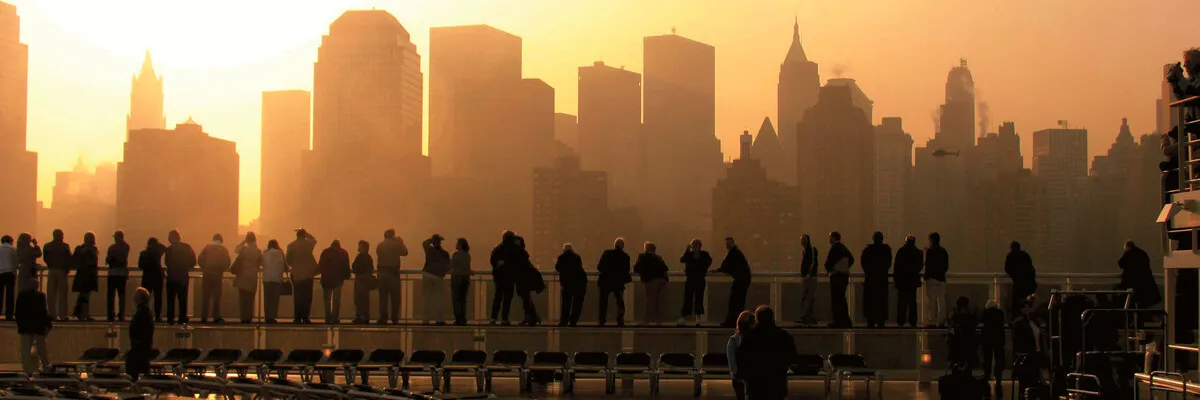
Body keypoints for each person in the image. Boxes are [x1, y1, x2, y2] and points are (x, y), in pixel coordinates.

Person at [738, 306, 798, 400]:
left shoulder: (749, 337)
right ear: (772, 317)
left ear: (756, 318)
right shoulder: (784, 336)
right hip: (777, 383)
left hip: (755, 385)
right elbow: (792, 357)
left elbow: (742, 359)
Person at [16, 278, 51, 375]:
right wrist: (48, 325)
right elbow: (43, 311)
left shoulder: (21, 296)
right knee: (42, 349)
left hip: (25, 327)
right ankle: (46, 367)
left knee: (26, 350)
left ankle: (28, 370)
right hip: (38, 327)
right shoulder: (40, 296)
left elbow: (18, 312)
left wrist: (20, 325)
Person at [716, 237, 752, 329]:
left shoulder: (734, 253)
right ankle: (737, 322)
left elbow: (724, 265)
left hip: (741, 281)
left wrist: (719, 270)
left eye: (729, 243)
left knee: (735, 302)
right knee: (738, 302)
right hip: (742, 280)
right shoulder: (736, 253)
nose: (727, 245)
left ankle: (733, 322)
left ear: (733, 243)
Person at [596, 238, 631, 327]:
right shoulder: (625, 256)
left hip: (605, 281)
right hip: (618, 283)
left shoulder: (607, 253)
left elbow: (600, 267)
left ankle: (602, 320)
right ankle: (620, 319)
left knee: (603, 302)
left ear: (614, 245)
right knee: (620, 302)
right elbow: (626, 270)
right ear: (622, 246)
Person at [163, 230, 196, 325]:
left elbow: (166, 262)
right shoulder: (187, 247)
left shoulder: (169, 249)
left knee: (170, 300)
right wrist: (186, 267)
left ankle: (170, 319)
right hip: (182, 277)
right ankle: (182, 318)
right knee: (183, 299)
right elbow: (193, 261)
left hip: (171, 277)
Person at [197, 234, 231, 324]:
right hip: (217, 276)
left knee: (205, 296)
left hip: (207, 275)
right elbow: (227, 262)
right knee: (216, 297)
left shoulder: (207, 248)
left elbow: (200, 259)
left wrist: (205, 267)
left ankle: (204, 317)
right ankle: (216, 317)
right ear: (221, 240)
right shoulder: (223, 249)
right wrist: (221, 268)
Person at [1118, 241, 1162, 309]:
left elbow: (1121, 263)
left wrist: (1125, 253)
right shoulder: (1142, 253)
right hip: (1145, 283)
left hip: (1133, 284)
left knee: (1130, 301)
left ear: (1127, 247)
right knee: (1143, 304)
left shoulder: (1129, 253)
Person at [861, 232, 892, 328]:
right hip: (882, 280)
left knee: (870, 301)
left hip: (870, 280)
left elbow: (864, 263)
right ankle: (881, 321)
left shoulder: (867, 250)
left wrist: (869, 272)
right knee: (882, 301)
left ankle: (871, 320)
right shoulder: (886, 250)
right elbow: (888, 263)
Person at [634, 242, 669, 326]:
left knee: (650, 301)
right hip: (663, 280)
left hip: (652, 280)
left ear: (646, 248)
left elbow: (637, 268)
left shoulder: (642, 256)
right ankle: (659, 321)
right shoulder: (658, 257)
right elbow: (665, 268)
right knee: (659, 302)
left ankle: (647, 320)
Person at [288, 229, 318, 324]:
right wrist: (307, 232)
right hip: (308, 274)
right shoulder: (308, 244)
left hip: (296, 274)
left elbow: (288, 260)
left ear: (296, 236)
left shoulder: (291, 245)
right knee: (307, 297)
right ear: (304, 236)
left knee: (297, 297)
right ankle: (306, 317)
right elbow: (314, 240)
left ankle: (297, 317)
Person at [679, 239, 712, 326]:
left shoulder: (705, 254)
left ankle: (698, 317)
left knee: (699, 297)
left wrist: (703, 268)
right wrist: (687, 250)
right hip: (690, 278)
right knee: (688, 297)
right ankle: (685, 316)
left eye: (697, 245)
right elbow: (682, 260)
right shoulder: (689, 254)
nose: (695, 247)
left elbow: (709, 262)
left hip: (700, 278)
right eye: (694, 245)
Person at [318, 240, 351, 324]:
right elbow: (346, 266)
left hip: (327, 280)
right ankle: (334, 317)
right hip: (338, 279)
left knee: (327, 300)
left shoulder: (325, 252)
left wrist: (313, 273)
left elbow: (321, 265)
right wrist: (347, 275)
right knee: (336, 300)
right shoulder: (343, 253)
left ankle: (328, 317)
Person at [825, 232, 854, 328]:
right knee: (841, 299)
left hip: (836, 276)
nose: (829, 239)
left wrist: (831, 269)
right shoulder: (843, 248)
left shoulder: (835, 248)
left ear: (833, 238)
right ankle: (845, 321)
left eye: (830, 237)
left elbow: (829, 262)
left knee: (836, 300)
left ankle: (838, 321)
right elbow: (851, 259)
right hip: (843, 277)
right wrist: (845, 267)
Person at [232, 233, 263, 324]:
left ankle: (243, 318)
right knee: (250, 300)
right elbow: (262, 262)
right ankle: (249, 318)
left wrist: (243, 241)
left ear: (247, 240)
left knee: (242, 300)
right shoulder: (257, 251)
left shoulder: (243, 249)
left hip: (242, 278)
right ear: (255, 240)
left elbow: (235, 249)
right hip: (252, 279)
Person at [893, 235, 923, 328]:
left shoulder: (901, 252)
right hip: (912, 281)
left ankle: (900, 321)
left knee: (902, 302)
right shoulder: (918, 252)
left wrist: (896, 280)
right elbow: (920, 266)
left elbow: (896, 267)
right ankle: (913, 321)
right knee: (912, 302)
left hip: (902, 281)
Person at [489, 231, 518, 325]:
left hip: (499, 277)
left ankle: (493, 317)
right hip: (510, 277)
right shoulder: (514, 250)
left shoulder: (498, 249)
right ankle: (504, 318)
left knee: (498, 297)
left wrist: (498, 264)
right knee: (507, 299)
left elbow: (492, 260)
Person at [512, 236, 542, 326]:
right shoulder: (523, 253)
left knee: (526, 299)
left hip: (522, 279)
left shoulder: (519, 253)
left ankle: (531, 317)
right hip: (524, 279)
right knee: (526, 299)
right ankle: (532, 317)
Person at [126, 287, 154, 381]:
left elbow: (142, 329)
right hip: (141, 346)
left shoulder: (143, 311)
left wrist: (137, 341)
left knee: (134, 368)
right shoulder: (144, 311)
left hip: (140, 347)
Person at [43, 230, 72, 321]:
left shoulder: (47, 246)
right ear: (61, 236)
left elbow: (45, 258)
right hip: (62, 271)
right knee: (62, 294)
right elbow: (69, 258)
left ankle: (52, 314)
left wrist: (50, 264)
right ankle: (63, 315)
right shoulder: (65, 246)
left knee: (51, 294)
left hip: (51, 270)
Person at [421, 234, 450, 325]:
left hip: (427, 274)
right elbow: (448, 265)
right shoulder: (444, 253)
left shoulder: (429, 250)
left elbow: (424, 243)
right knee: (438, 298)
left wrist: (432, 239)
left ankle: (425, 319)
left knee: (427, 298)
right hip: (438, 276)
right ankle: (439, 319)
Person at [726, 311, 755, 400]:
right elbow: (732, 361)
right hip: (740, 376)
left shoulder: (755, 339)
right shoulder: (734, 340)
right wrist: (737, 374)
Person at [555, 243, 585, 327]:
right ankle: (573, 321)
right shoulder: (577, 257)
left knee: (566, 303)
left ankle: (564, 321)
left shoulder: (561, 257)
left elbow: (557, 268)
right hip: (578, 283)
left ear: (564, 250)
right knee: (576, 304)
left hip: (567, 284)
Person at [71, 232, 99, 322]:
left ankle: (82, 313)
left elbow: (93, 261)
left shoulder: (91, 249)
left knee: (84, 295)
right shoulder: (81, 249)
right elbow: (75, 260)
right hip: (85, 274)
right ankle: (83, 314)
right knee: (84, 295)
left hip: (87, 274)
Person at [1004, 241, 1037, 318]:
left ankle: (1017, 319)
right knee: (1027, 304)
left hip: (1018, 285)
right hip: (1029, 285)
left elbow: (1007, 269)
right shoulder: (1025, 255)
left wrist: (1014, 275)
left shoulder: (1010, 256)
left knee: (1017, 305)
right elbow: (1031, 269)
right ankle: (1028, 318)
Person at [137, 238, 167, 322]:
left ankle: (145, 316)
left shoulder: (143, 253)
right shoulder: (158, 253)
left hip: (147, 277)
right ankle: (157, 316)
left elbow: (140, 265)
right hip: (157, 277)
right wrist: (157, 244)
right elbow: (164, 247)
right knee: (158, 298)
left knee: (145, 298)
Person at [924, 232, 950, 328]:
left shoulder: (930, 252)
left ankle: (931, 321)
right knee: (941, 301)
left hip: (931, 279)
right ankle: (940, 321)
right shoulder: (943, 251)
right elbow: (946, 266)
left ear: (931, 241)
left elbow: (927, 266)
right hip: (941, 279)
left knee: (931, 301)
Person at [948, 297, 979, 372]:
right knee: (968, 364)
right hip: (968, 343)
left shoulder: (955, 316)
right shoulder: (970, 317)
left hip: (957, 343)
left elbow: (951, 327)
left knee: (957, 362)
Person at [104, 231, 130, 322]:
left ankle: (110, 314)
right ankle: (121, 315)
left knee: (111, 295)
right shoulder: (126, 247)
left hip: (112, 273)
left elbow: (108, 259)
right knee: (121, 295)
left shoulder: (112, 247)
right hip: (122, 274)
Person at [795, 234, 819, 326]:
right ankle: (807, 316)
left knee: (809, 297)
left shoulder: (812, 249)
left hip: (810, 277)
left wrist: (809, 273)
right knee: (806, 297)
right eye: (801, 240)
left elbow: (813, 262)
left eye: (803, 239)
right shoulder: (804, 251)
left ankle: (808, 317)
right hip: (806, 277)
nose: (802, 241)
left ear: (808, 240)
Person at [980, 299, 1006, 386]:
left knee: (988, 357)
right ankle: (998, 376)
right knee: (999, 357)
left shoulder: (985, 312)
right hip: (998, 337)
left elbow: (982, 322)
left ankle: (987, 375)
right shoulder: (1000, 313)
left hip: (987, 337)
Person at [261, 239, 287, 324]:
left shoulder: (265, 253)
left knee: (267, 299)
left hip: (266, 278)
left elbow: (262, 263)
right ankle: (272, 317)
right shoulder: (280, 253)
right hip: (276, 279)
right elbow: (284, 265)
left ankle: (266, 316)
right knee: (274, 299)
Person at [351, 240, 375, 325]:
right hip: (366, 281)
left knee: (359, 300)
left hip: (360, 280)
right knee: (365, 300)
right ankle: (366, 317)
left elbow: (354, 266)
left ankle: (359, 317)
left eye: (359, 246)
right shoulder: (369, 257)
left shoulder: (360, 257)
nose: (358, 247)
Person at [450, 238, 472, 326]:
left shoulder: (456, 254)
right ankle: (463, 318)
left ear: (460, 245)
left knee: (456, 299)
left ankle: (458, 318)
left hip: (457, 278)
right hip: (466, 278)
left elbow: (451, 264)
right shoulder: (468, 255)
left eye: (457, 243)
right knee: (463, 299)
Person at [0, 235, 17, 320]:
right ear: (10, 241)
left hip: (0, 272)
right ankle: (9, 315)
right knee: (10, 294)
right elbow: (17, 262)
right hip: (10, 272)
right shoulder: (13, 249)